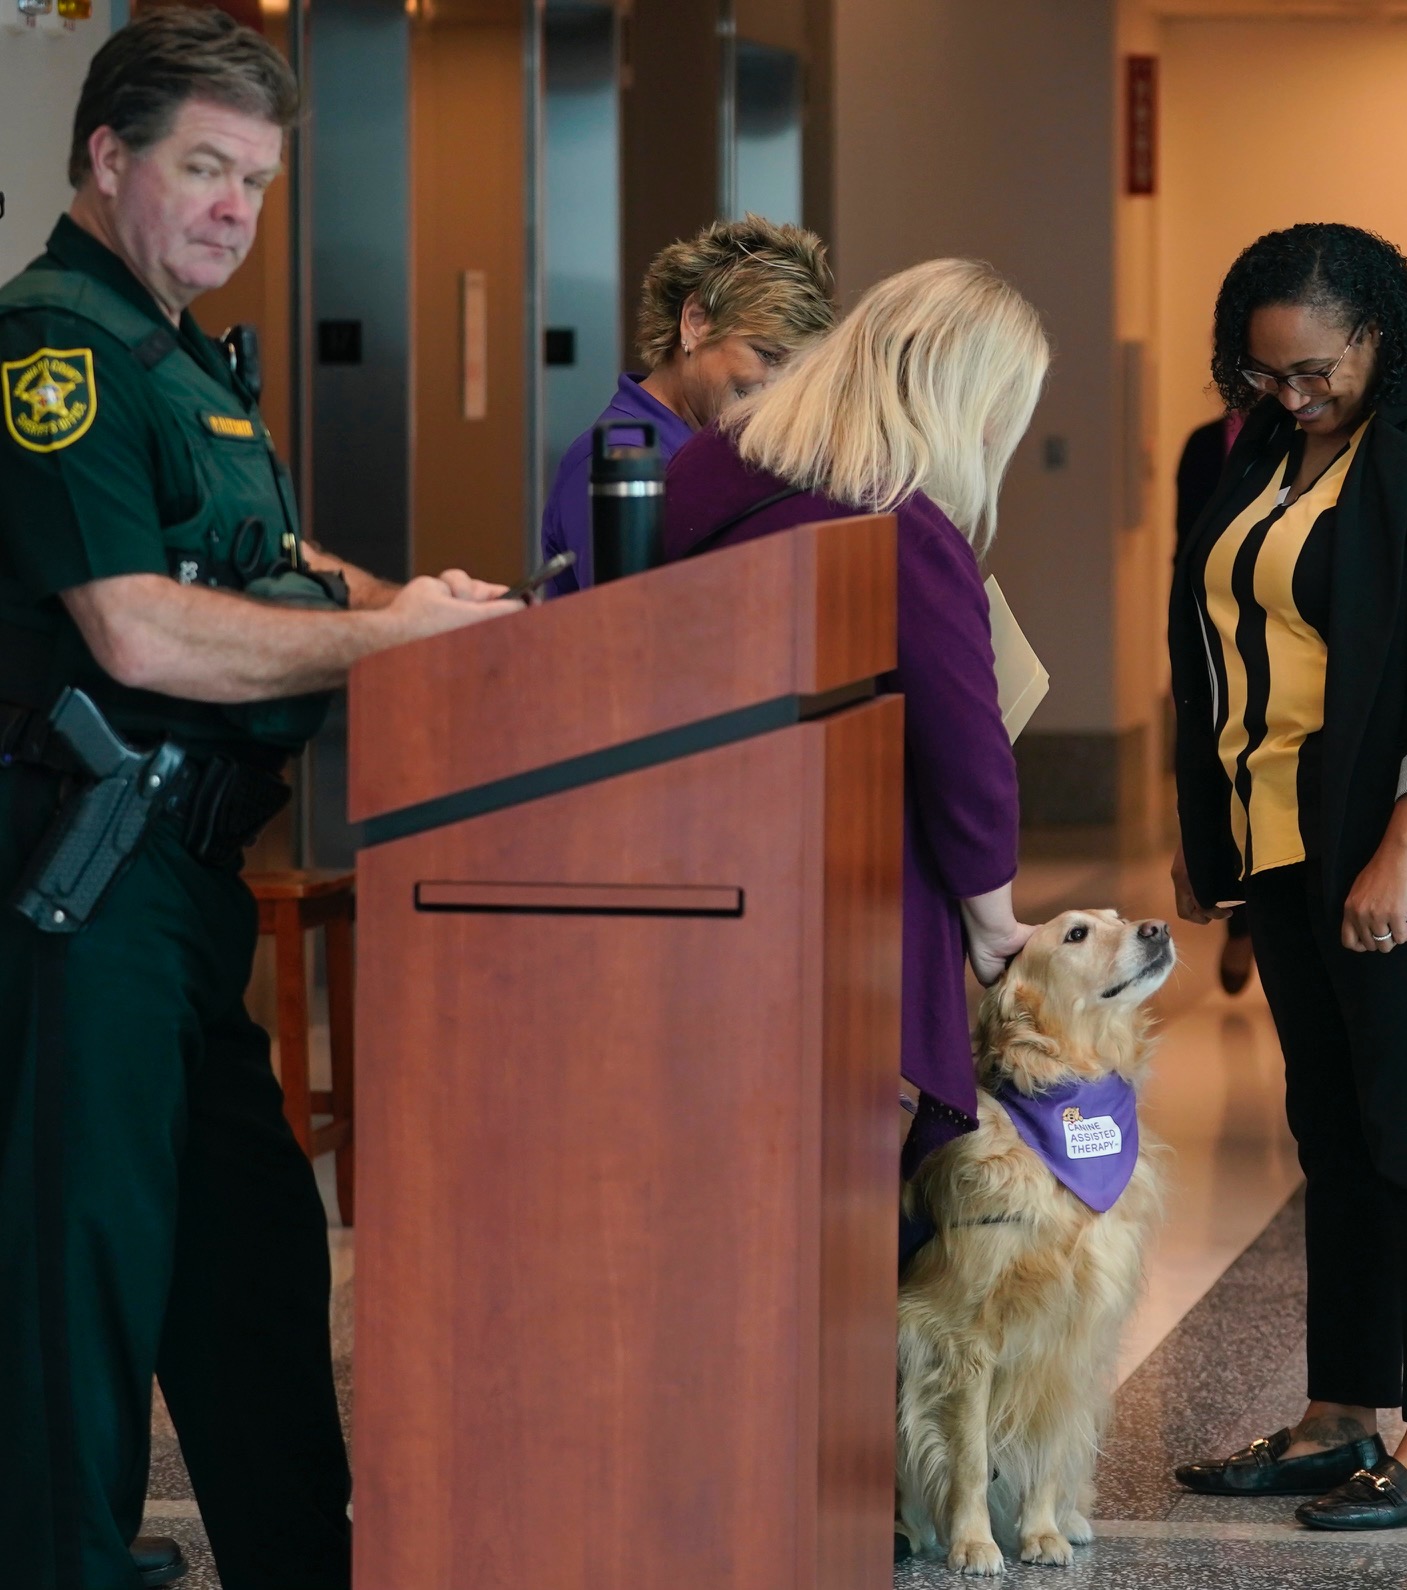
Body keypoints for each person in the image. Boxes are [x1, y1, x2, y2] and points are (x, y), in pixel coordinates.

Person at [0, 12, 518, 1588]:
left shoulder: (185, 361)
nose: (234, 208)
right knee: (84, 1251)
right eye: (204, 168)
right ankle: (64, 1561)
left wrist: (417, 606)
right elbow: (137, 624)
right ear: (106, 156)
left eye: (257, 182)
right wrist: (386, 638)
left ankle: (301, 1554)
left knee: (245, 1240)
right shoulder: (56, 354)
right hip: (87, 871)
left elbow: (267, 575)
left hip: (192, 874)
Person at [1165, 223, 1407, 1531]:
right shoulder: (1260, 448)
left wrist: (1403, 843)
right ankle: (1340, 1414)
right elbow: (1215, 637)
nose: (1291, 393)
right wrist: (1199, 813)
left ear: (1383, 330)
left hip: (1403, 851)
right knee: (1328, 1133)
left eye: (1314, 369)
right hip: (1280, 838)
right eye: (1267, 372)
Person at [659, 258, 1046, 1185]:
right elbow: (964, 750)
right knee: (834, 1195)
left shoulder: (715, 463)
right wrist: (992, 919)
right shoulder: (897, 518)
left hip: (695, 870)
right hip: (841, 899)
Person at [538, 215, 833, 596]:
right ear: (695, 322)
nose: (778, 389)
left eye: (796, 370)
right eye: (766, 355)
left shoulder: (733, 450)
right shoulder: (614, 463)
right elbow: (629, 629)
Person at [1171, 412, 1255, 994]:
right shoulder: (1205, 443)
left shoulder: (1307, 434)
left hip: (1276, 622)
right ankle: (1239, 908)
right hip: (1212, 625)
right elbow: (1186, 549)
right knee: (1223, 762)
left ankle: (1250, 922)